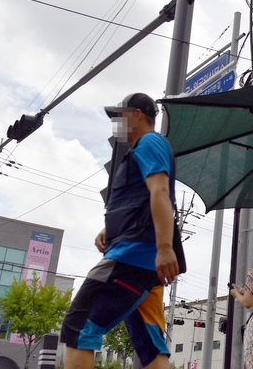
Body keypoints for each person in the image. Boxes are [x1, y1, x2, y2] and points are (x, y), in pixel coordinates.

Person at [61, 93, 185, 369]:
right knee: (150, 344)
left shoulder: (150, 141)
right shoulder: (144, 148)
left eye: (120, 117)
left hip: (132, 256)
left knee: (79, 329)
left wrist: (165, 247)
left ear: (138, 114)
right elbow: (141, 199)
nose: (117, 124)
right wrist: (111, 229)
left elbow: (160, 191)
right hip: (143, 260)